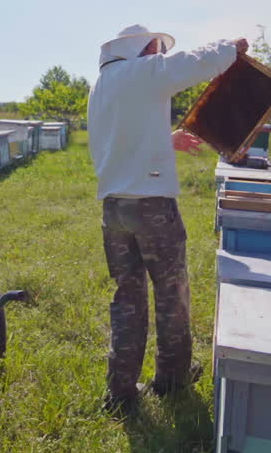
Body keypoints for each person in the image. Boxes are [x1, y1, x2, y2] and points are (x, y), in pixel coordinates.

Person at [87, 24, 248, 412]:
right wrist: (230, 47)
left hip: (114, 208)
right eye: (156, 48)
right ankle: (172, 379)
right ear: (142, 49)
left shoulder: (103, 84)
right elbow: (194, 62)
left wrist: (167, 138)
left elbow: (123, 134)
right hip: (152, 207)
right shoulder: (140, 72)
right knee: (171, 293)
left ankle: (120, 388)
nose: (159, 54)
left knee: (127, 298)